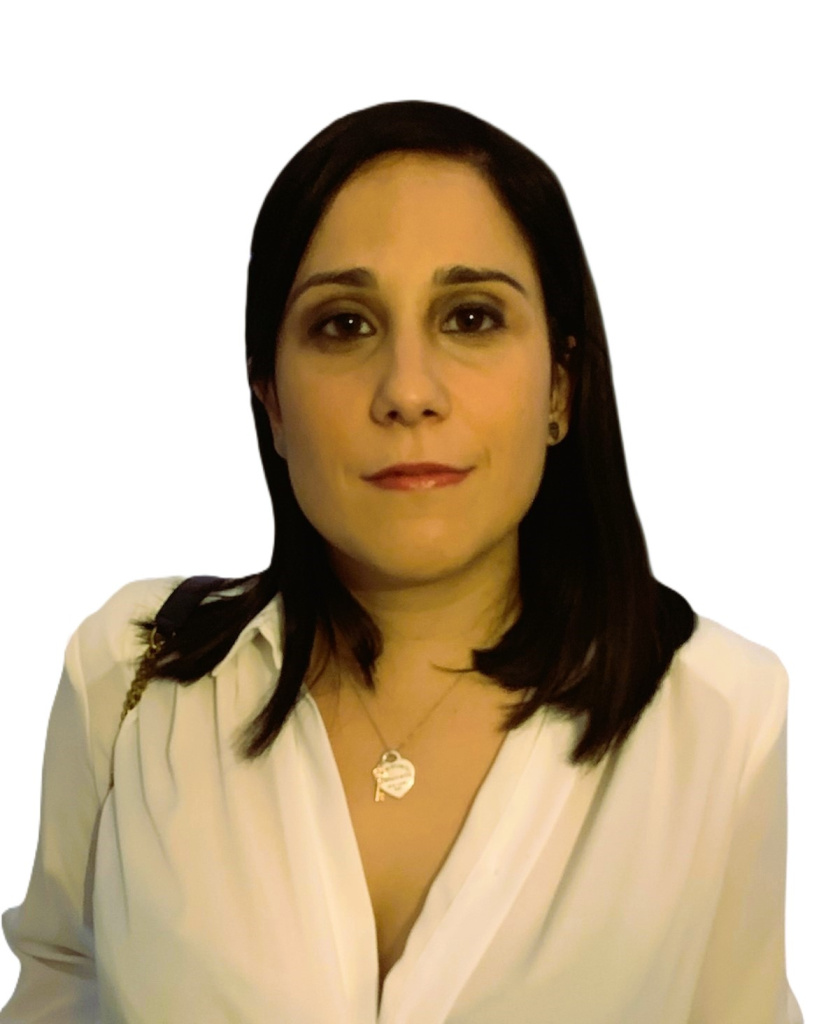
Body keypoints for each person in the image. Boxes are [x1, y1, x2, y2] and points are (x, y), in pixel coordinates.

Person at [0, 101, 803, 1023]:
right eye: (344, 325)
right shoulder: (132, 677)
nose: (409, 391)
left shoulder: (722, 715)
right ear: (271, 400)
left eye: (471, 317)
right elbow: (59, 984)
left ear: (561, 386)